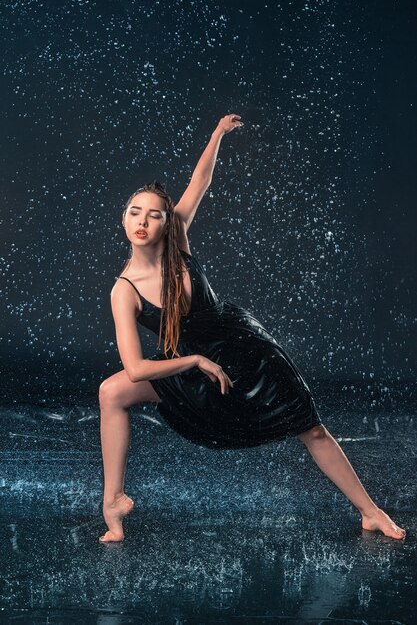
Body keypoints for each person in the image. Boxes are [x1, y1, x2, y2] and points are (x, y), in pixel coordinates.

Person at [98, 114, 406, 543]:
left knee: (311, 427)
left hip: (247, 349)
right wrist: (195, 360)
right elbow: (134, 369)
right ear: (124, 218)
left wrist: (216, 135)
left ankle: (370, 511)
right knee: (111, 391)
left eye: (153, 215)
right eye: (135, 213)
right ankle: (112, 500)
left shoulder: (178, 239)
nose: (143, 222)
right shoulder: (124, 291)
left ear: (167, 222)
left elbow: (200, 181)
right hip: (193, 367)